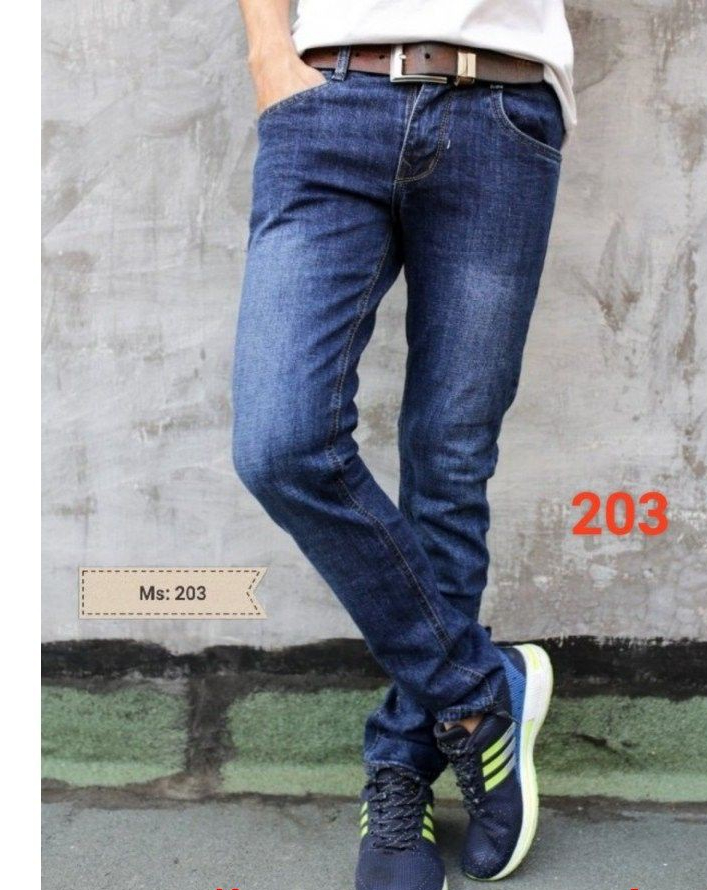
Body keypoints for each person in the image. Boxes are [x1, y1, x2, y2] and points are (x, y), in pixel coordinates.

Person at [232, 2, 575, 887]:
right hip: (326, 97)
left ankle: (403, 761)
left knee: (450, 463)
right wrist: (269, 53)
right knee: (281, 442)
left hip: (501, 107)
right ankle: (477, 693)